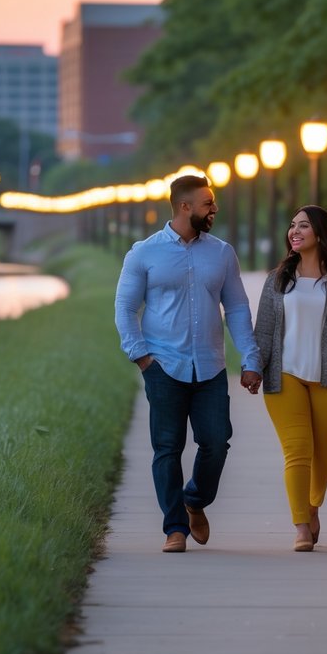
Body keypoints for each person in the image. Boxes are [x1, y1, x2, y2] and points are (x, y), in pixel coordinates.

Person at [115, 174, 263, 553]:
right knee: (167, 447)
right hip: (163, 365)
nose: (214, 208)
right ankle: (174, 529)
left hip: (210, 366)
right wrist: (141, 356)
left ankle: (194, 499)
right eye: (207, 203)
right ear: (185, 206)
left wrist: (250, 358)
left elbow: (238, 308)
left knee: (217, 442)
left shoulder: (222, 253)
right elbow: (126, 308)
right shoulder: (143, 253)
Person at [254, 205, 327, 552]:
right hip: (284, 375)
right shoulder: (278, 278)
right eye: (292, 225)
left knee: (323, 453)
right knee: (297, 450)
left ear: (320, 232)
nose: (294, 230)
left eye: (303, 225)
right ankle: (301, 525)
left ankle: (313, 505)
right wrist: (254, 367)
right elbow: (264, 330)